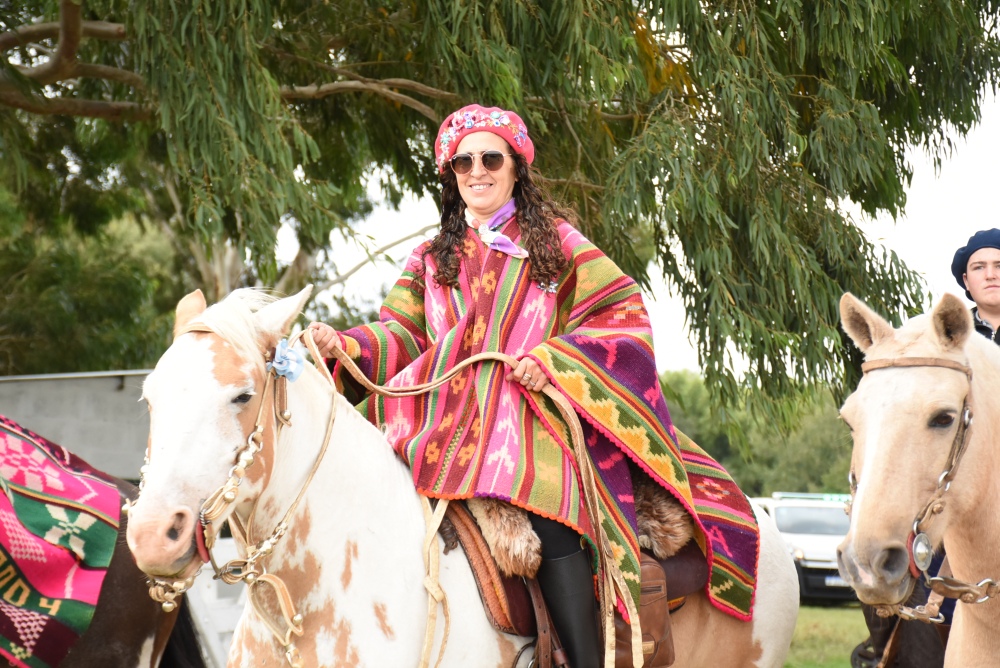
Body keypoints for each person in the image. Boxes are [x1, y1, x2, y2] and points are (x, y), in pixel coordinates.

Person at [308, 104, 698, 667]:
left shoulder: (559, 245)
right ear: (451, 176)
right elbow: (400, 332)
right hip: (437, 421)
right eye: (462, 162)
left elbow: (621, 313)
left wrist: (556, 358)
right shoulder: (428, 258)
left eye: (490, 157)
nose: (476, 170)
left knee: (551, 517)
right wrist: (343, 346)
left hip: (528, 418)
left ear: (516, 166)